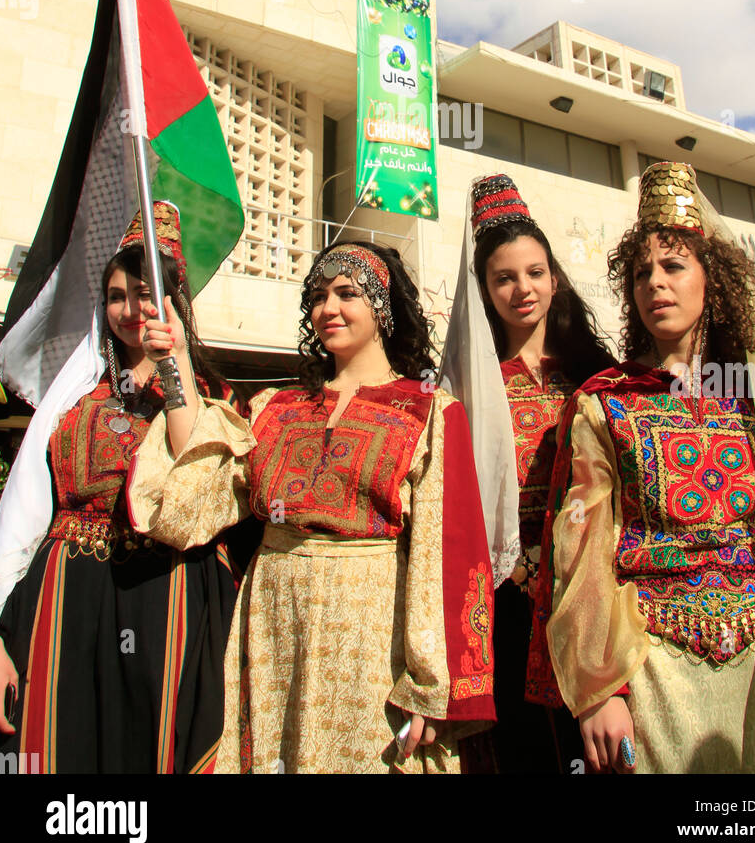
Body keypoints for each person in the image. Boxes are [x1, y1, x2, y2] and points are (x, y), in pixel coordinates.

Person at [527, 161, 755, 774]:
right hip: (653, 670)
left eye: (673, 266)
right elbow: (582, 549)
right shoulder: (607, 404)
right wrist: (601, 689)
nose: (654, 283)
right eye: (640, 273)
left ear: (715, 280)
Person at [128, 241, 495, 774]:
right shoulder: (272, 408)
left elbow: (445, 551)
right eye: (319, 296)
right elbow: (199, 487)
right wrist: (177, 361)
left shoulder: (428, 410)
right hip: (272, 617)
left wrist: (431, 685)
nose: (329, 308)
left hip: (372, 630)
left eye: (347, 293)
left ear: (383, 305)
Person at [0, 202, 239, 773]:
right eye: (116, 295)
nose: (132, 309)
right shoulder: (73, 396)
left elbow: (193, 477)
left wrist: (174, 358)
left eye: (147, 292)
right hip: (63, 598)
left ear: (177, 300)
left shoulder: (214, 396)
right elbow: (25, 513)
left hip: (162, 592)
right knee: (61, 749)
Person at [442, 174, 613, 773]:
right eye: (504, 278)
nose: (522, 289)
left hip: (593, 587)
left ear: (555, 278)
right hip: (507, 592)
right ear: (483, 289)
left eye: (535, 273)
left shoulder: (597, 375)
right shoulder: (465, 388)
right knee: (526, 750)